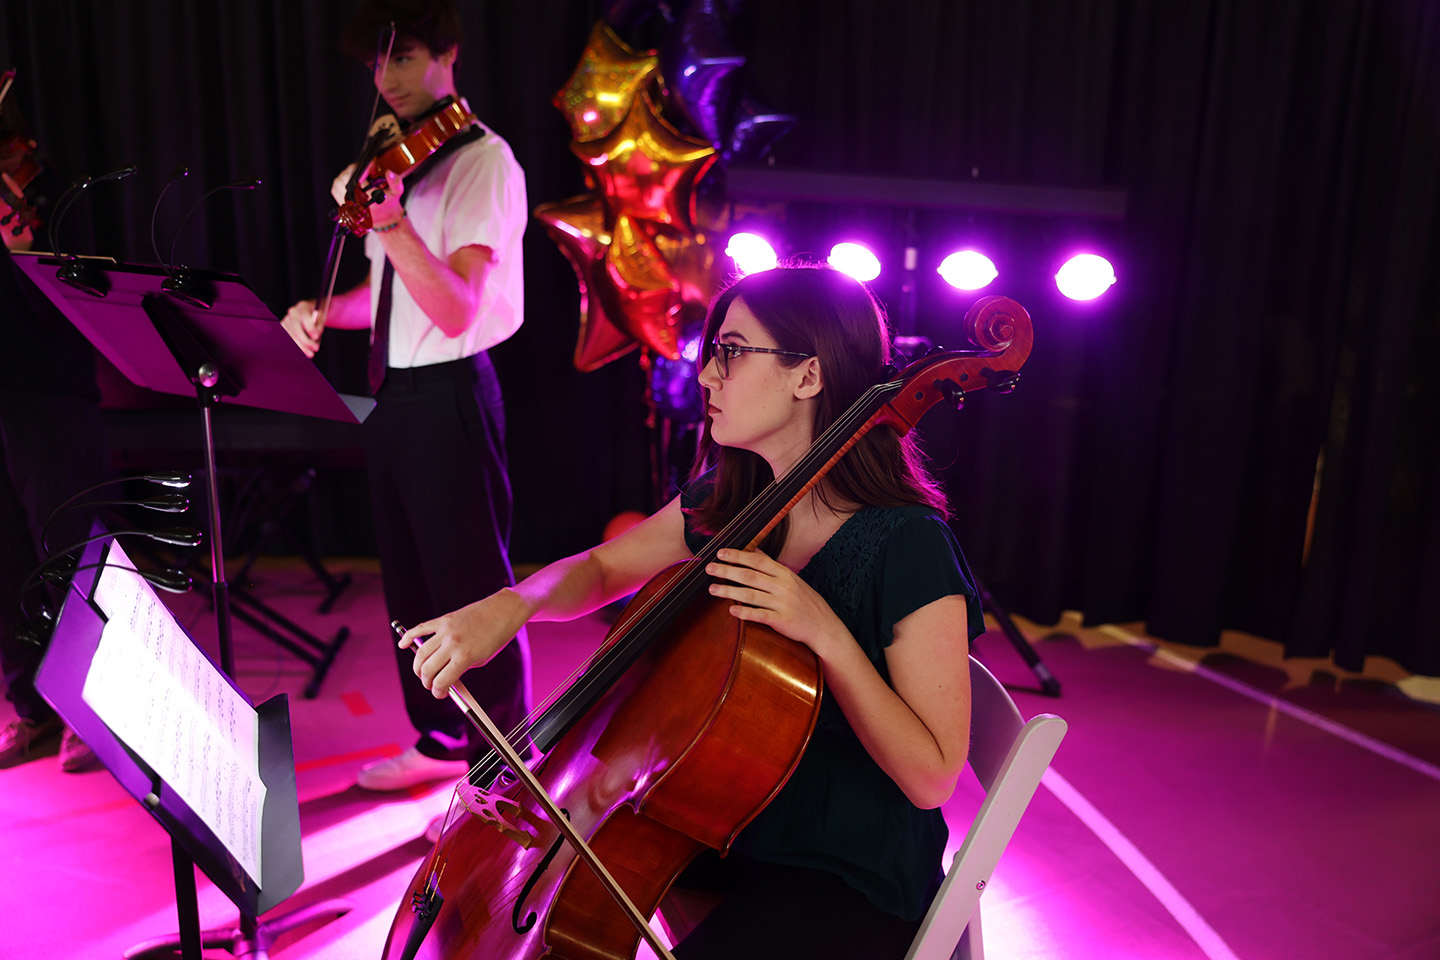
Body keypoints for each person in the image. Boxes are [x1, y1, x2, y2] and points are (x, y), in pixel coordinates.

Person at [402, 264, 985, 959]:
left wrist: (824, 631)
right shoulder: (734, 499)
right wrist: (507, 608)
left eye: (731, 353)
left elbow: (931, 777)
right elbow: (601, 568)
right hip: (728, 822)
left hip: (842, 869)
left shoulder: (907, 541)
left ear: (809, 375)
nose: (706, 376)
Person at [281, 0, 532, 801]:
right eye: (377, 65)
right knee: (411, 592)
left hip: (451, 395)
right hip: (392, 394)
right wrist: (326, 311)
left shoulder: (481, 162)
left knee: (470, 591)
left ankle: (503, 775)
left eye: (405, 56)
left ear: (449, 53)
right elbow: (388, 293)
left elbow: (456, 305)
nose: (387, 79)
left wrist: (392, 227)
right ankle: (440, 743)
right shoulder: (395, 161)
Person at [0, 103, 107, 774]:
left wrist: (23, 249)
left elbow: (82, 296)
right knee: (5, 557)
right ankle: (32, 705)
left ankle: (95, 708)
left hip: (48, 387)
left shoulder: (39, 181)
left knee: (69, 547)